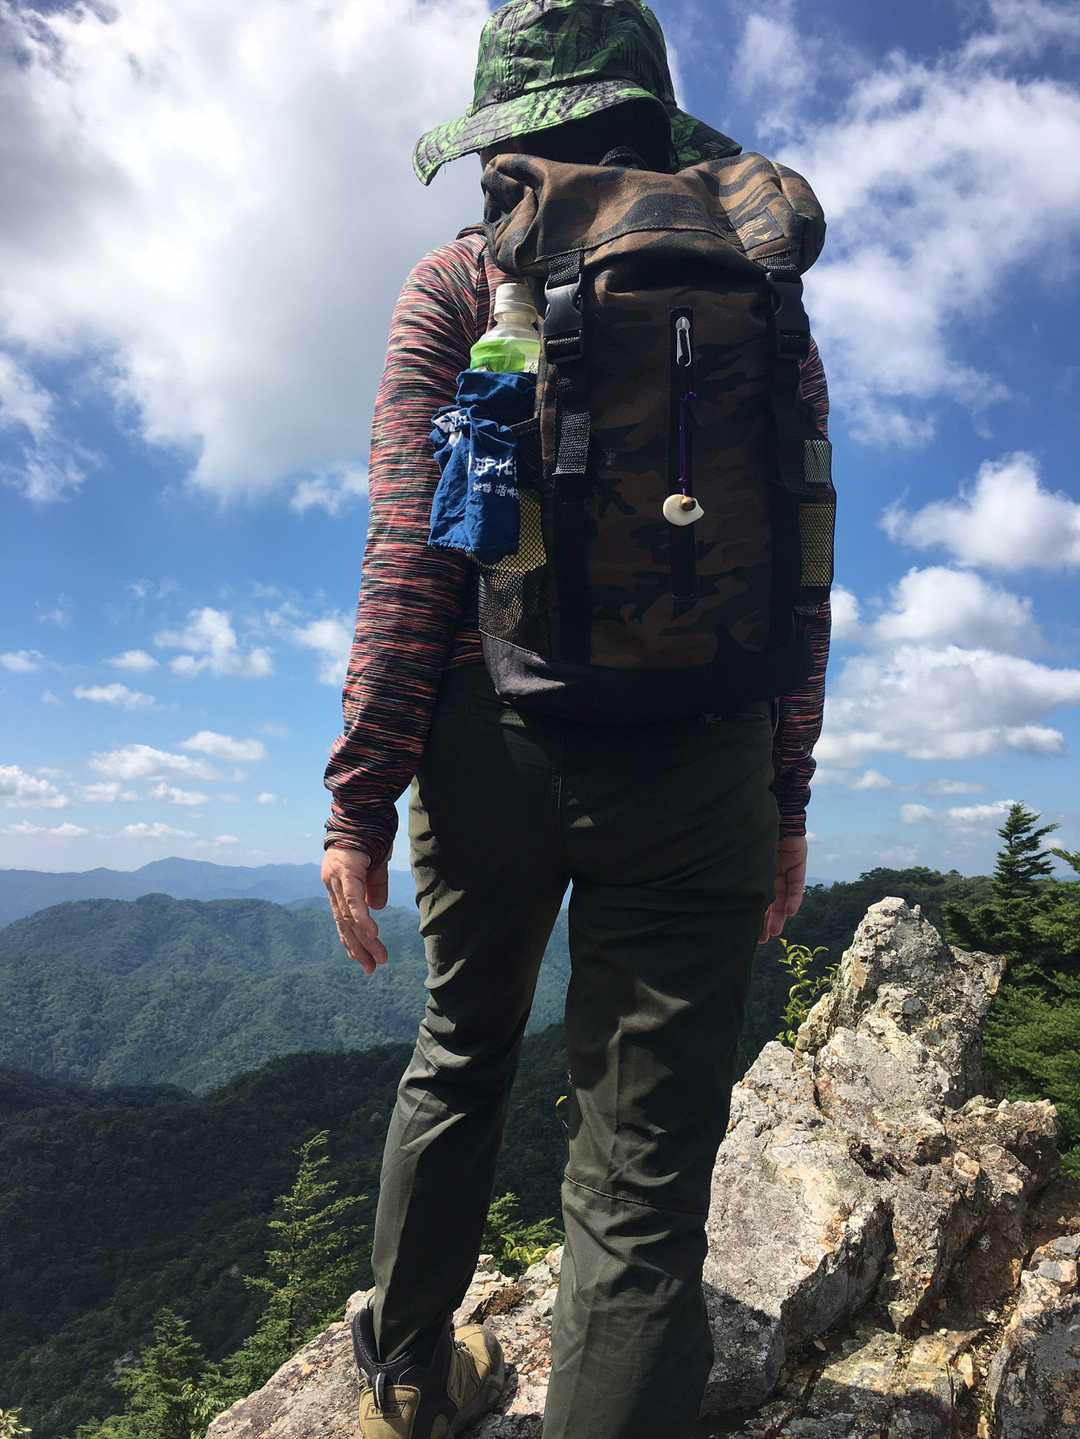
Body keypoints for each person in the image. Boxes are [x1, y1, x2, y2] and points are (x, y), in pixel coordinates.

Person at [321, 3, 831, 1436]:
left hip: (490, 741)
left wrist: (362, 794)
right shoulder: (759, 289)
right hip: (704, 760)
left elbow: (412, 551)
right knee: (641, 1184)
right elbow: (804, 563)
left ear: (506, 130)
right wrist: (785, 793)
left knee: (463, 1047)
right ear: (653, 118)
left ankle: (407, 1378)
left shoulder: (457, 280)